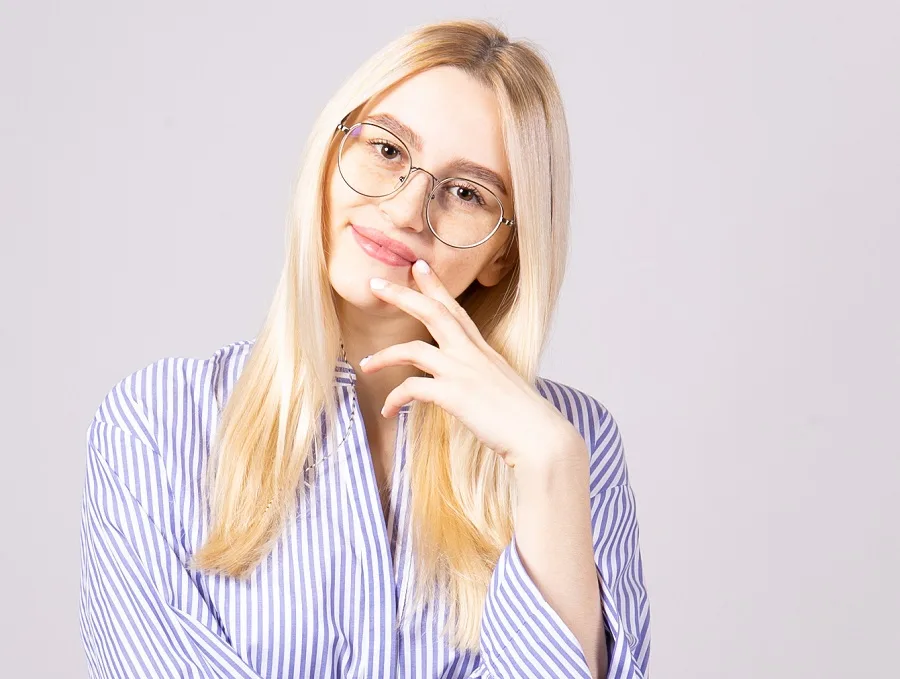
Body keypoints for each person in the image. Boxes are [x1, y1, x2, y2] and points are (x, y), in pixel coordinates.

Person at [79, 18, 651, 679]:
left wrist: (549, 467)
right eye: (386, 150)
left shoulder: (573, 445)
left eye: (467, 192)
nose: (408, 209)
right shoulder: (155, 423)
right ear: (331, 155)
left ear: (502, 256)